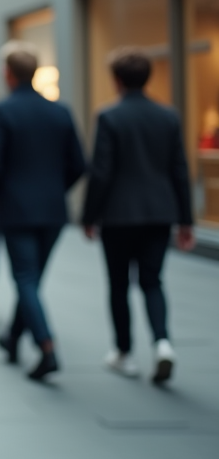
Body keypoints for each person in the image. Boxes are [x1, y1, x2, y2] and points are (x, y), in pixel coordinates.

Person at [82, 48, 196, 384]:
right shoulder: (168, 117)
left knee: (119, 284)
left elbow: (100, 172)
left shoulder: (109, 117)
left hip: (119, 215)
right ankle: (162, 343)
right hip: (159, 212)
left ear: (116, 80)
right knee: (152, 280)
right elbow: (179, 170)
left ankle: (124, 352)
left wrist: (89, 216)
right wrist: (186, 220)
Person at [0, 42, 86, 381]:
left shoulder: (3, 111)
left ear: (7, 73)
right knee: (33, 277)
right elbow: (79, 164)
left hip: (17, 209)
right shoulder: (61, 111)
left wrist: (3, 193)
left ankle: (46, 346)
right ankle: (12, 337)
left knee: (25, 278)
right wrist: (56, 190)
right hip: (53, 210)